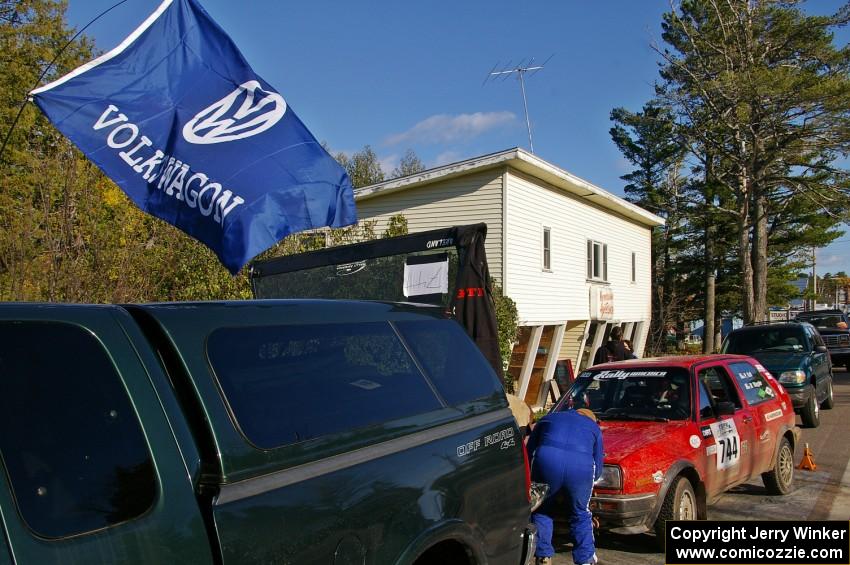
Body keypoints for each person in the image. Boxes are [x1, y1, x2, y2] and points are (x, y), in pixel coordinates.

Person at [526, 408, 603, 565]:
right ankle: (585, 559)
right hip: (580, 468)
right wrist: (584, 487)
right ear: (591, 419)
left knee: (542, 509)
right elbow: (598, 465)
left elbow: (529, 451)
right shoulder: (594, 428)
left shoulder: (549, 418)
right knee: (581, 513)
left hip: (546, 462)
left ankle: (543, 555)